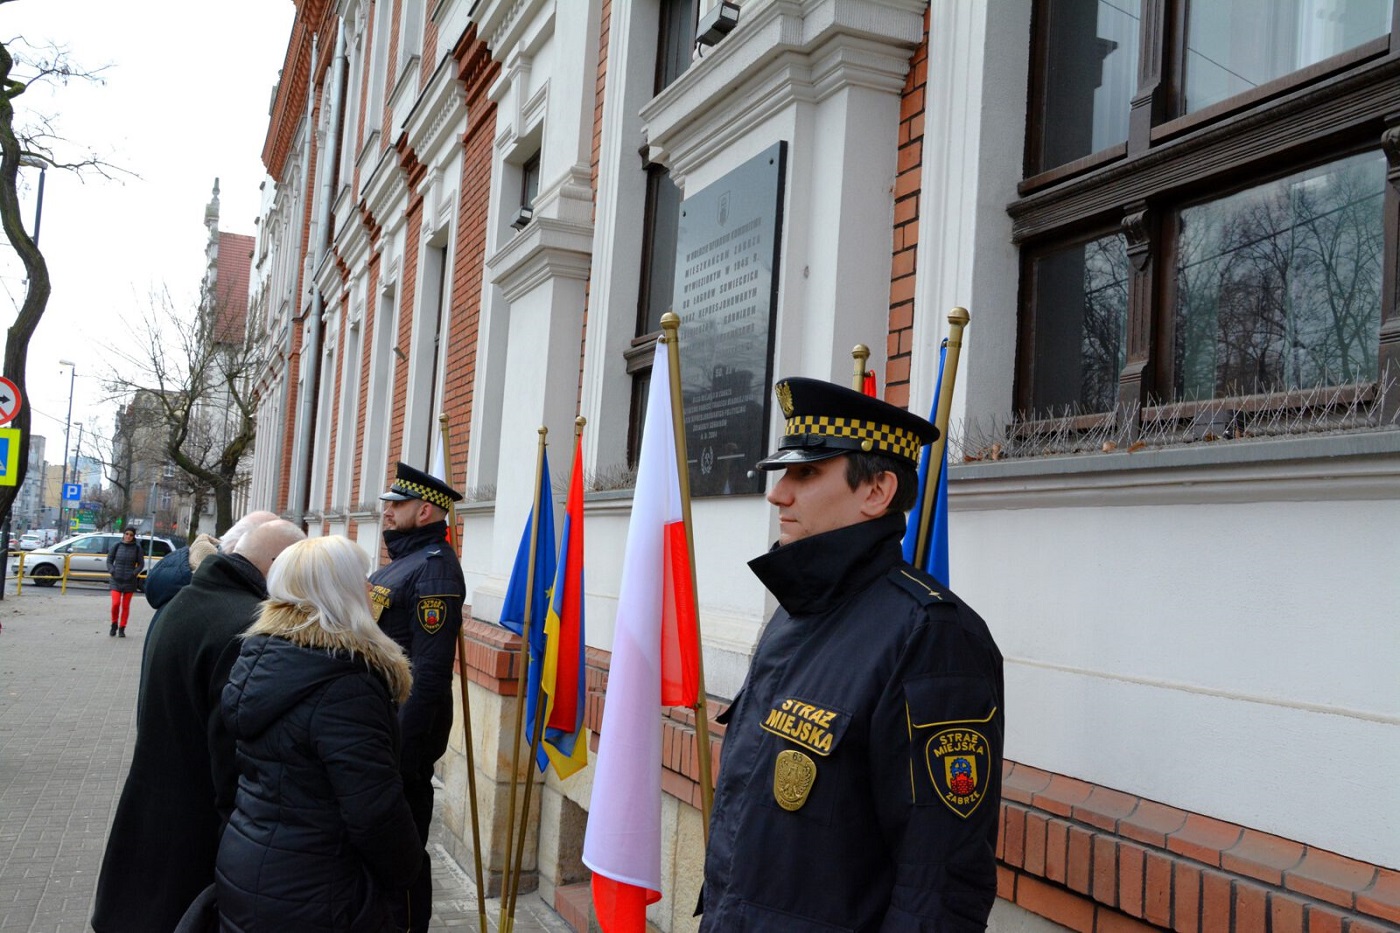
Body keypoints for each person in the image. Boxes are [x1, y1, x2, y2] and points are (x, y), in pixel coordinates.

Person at [700, 377, 1005, 931]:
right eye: (784, 473)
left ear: (876, 492)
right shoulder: (799, 609)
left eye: (807, 473)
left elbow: (939, 885)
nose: (777, 494)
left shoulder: (931, 635)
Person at [91, 519, 307, 933]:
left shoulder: (184, 602)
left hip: (151, 818)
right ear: (277, 564)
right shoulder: (244, 627)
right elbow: (234, 757)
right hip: (196, 835)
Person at [215, 535, 423, 931]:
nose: (371, 587)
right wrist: (408, 873)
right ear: (338, 590)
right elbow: (375, 811)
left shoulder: (264, 656)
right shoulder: (344, 684)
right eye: (361, 578)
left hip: (252, 867)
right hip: (318, 890)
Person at [370, 461, 466, 932]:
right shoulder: (404, 562)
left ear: (425, 511)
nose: (388, 512)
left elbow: (428, 676)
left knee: (403, 854)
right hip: (380, 728)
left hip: (399, 740)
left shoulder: (434, 571)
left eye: (398, 504)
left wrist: (399, 750)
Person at [106, 528, 145, 637]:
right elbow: (109, 561)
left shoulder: (137, 548)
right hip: (116, 579)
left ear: (134, 536)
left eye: (131, 535)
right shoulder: (117, 545)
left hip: (129, 581)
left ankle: (122, 628)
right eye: (126, 534)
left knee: (125, 606)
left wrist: (134, 574)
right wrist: (112, 571)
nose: (128, 536)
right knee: (116, 604)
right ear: (123, 535)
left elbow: (141, 564)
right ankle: (114, 624)